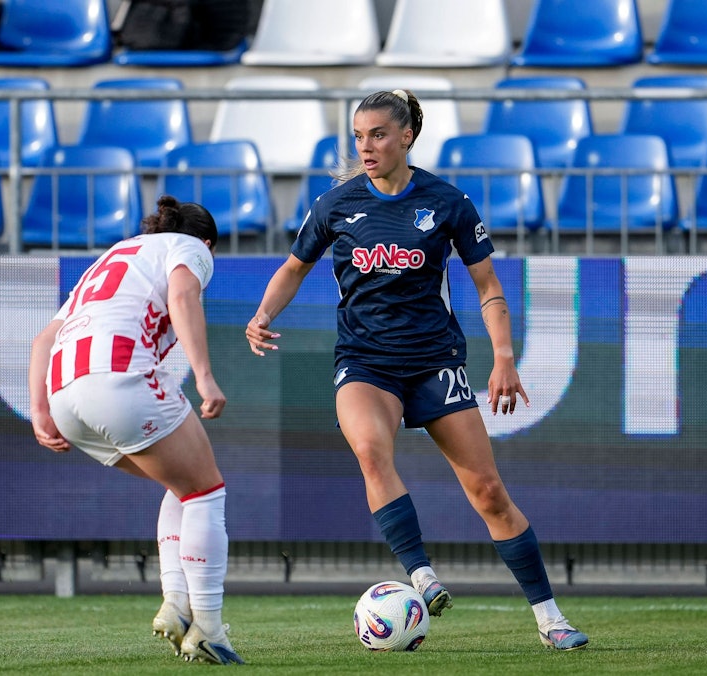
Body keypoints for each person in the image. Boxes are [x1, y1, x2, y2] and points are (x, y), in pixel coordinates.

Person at [245, 90, 589, 651]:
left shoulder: (447, 202)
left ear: (406, 137)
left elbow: (488, 286)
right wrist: (262, 314)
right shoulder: (335, 205)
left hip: (434, 361)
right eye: (359, 136)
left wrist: (504, 357)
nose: (366, 146)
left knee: (488, 492)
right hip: (366, 361)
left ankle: (551, 619)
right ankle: (422, 575)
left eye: (378, 134)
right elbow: (293, 268)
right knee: (370, 450)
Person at [29, 195, 244, 665]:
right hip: (117, 375)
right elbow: (182, 295)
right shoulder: (191, 247)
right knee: (207, 492)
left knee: (183, 486)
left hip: (63, 391)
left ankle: (176, 603)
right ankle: (208, 629)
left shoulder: (116, 253)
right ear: (207, 242)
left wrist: (39, 411)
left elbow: (45, 338)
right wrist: (204, 376)